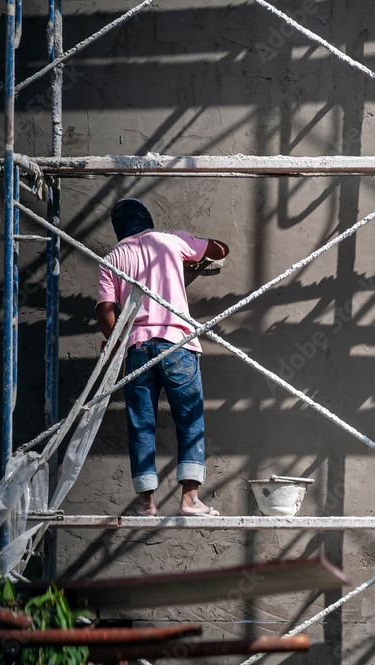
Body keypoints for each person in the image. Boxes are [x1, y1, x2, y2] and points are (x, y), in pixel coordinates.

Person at [96, 198, 229, 516]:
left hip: (138, 349)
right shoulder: (172, 240)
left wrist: (117, 347)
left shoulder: (112, 258)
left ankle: (147, 504)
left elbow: (105, 313)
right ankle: (190, 500)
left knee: (141, 425)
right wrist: (188, 259)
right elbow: (220, 250)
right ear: (148, 219)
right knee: (190, 420)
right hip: (177, 344)